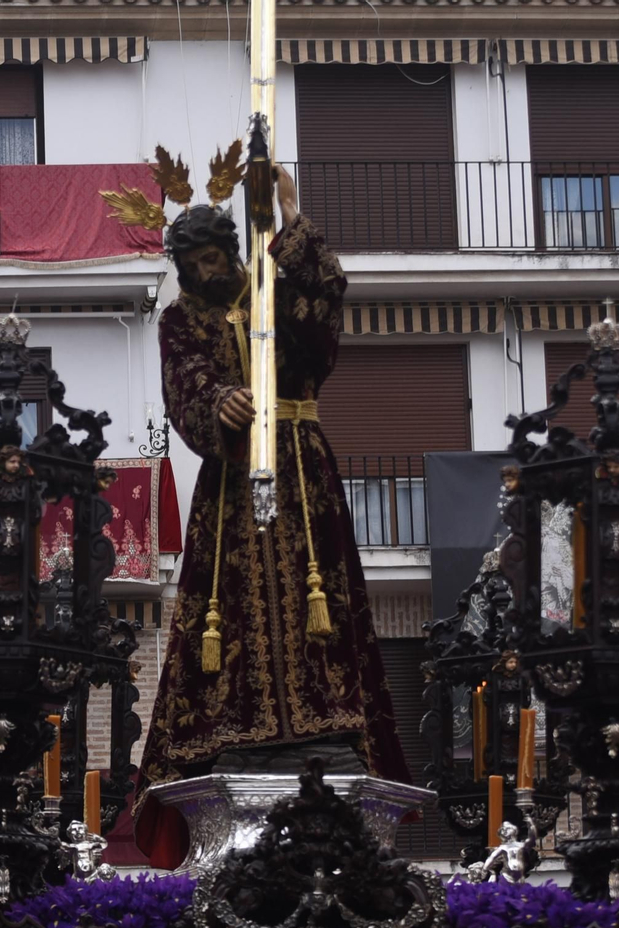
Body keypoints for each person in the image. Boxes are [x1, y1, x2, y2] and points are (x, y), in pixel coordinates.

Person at [132, 165, 411, 867]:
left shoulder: (269, 291)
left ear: (232, 254)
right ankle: (243, 725)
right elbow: (186, 389)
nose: (208, 271)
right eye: (194, 264)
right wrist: (218, 402)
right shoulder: (180, 321)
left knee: (317, 595)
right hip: (232, 482)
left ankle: (324, 721)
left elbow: (320, 322)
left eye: (216, 258)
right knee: (235, 606)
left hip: (300, 468)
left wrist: (290, 221)